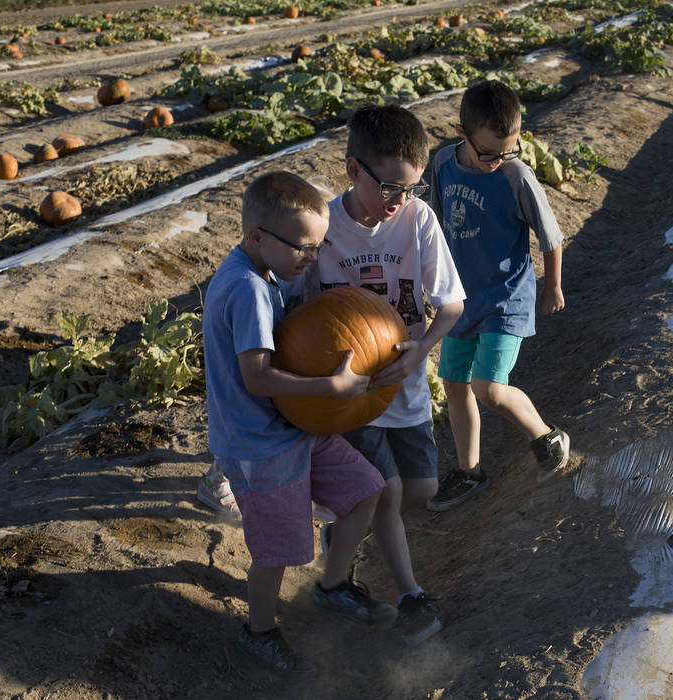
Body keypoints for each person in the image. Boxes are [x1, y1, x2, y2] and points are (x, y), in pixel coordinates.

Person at [203, 170, 397, 674]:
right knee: (278, 550)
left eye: (318, 247)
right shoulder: (245, 289)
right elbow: (258, 377)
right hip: (260, 441)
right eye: (303, 249)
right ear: (256, 237)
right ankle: (259, 631)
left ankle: (332, 587)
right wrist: (328, 389)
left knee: (365, 490)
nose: (312, 258)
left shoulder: (268, 271)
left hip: (296, 426)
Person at [289, 105, 465, 646]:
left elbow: (452, 304)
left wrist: (421, 352)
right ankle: (409, 597)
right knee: (386, 491)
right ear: (352, 171)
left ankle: (344, 531)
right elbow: (296, 315)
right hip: (354, 391)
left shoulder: (418, 220)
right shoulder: (323, 230)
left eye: (411, 189)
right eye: (388, 187)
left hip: (405, 381)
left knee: (421, 489)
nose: (399, 200)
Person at [426, 80, 570, 512]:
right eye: (490, 153)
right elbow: (432, 225)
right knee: (455, 384)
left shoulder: (516, 176)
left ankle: (547, 437)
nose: (499, 160)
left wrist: (553, 285)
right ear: (462, 133)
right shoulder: (443, 166)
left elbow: (551, 237)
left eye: (510, 149)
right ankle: (469, 472)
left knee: (487, 387)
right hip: (461, 299)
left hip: (506, 298)